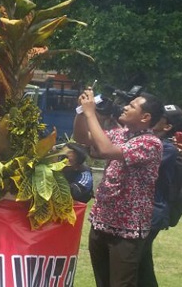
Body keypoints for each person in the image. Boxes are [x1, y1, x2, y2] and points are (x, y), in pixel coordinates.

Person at [74, 88, 164, 287]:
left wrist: (91, 113)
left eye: (131, 106)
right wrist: (81, 112)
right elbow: (82, 137)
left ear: (145, 117)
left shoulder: (150, 143)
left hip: (127, 230)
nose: (124, 107)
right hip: (102, 222)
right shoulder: (120, 134)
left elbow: (105, 150)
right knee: (102, 282)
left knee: (120, 284)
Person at [138, 104, 182, 286]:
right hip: (146, 211)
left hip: (153, 212)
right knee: (141, 260)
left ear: (167, 126)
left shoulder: (167, 149)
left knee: (137, 260)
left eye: (159, 116)